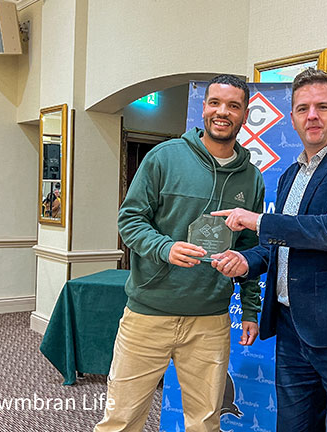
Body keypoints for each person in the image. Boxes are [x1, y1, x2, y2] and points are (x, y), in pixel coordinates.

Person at [210, 68, 327, 432]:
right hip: (292, 329)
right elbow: (278, 247)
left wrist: (258, 220)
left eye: (322, 107)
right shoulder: (291, 174)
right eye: (303, 108)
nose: (312, 116)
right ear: (291, 117)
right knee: (292, 426)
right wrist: (246, 260)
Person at [94, 75, 265, 432]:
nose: (223, 112)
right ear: (203, 108)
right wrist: (165, 247)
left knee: (204, 423)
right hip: (148, 315)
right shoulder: (164, 158)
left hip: (210, 321)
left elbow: (251, 250)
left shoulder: (251, 178)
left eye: (233, 106)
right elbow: (129, 219)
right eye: (215, 102)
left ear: (245, 115)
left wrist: (251, 308)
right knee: (121, 420)